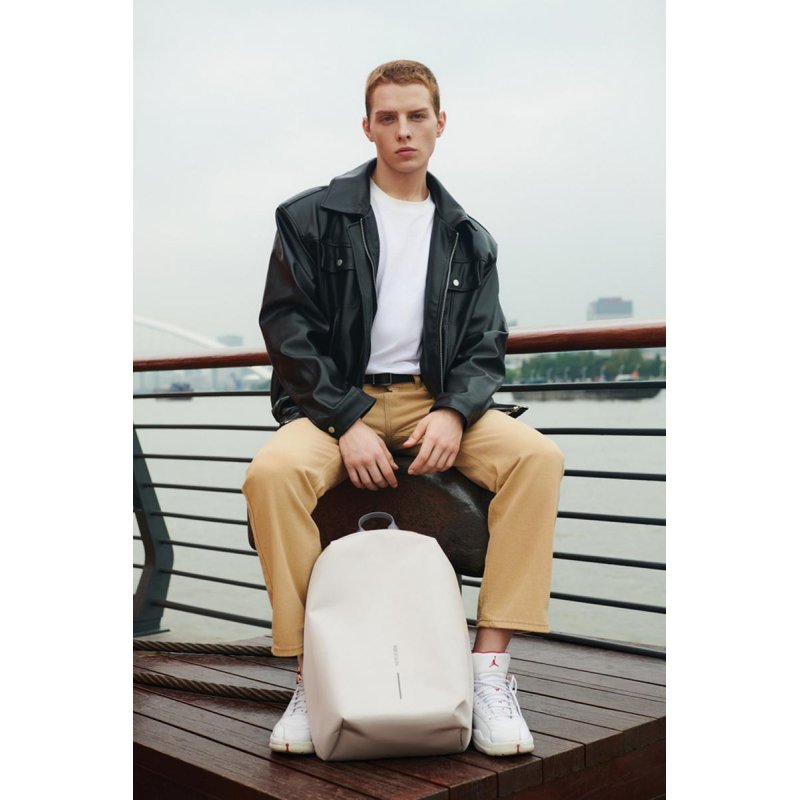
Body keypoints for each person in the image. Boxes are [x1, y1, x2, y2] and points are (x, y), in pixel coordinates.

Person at [242, 60, 564, 757]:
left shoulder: (469, 236)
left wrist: (453, 411)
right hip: (335, 401)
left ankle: (489, 669)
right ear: (367, 127)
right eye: (387, 118)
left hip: (432, 400)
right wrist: (345, 419)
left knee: (537, 459)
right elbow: (287, 329)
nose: (403, 130)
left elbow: (485, 346)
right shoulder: (310, 217)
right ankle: (310, 673)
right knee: (272, 476)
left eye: (417, 116)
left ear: (440, 124)